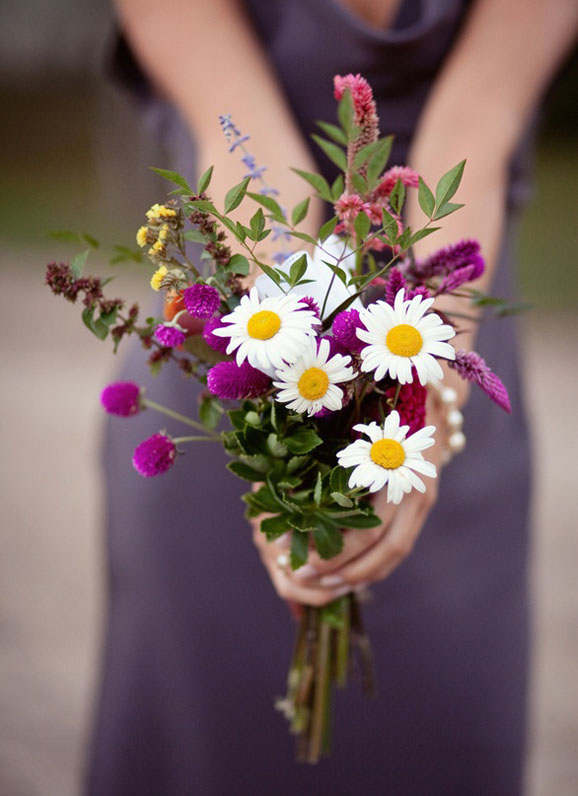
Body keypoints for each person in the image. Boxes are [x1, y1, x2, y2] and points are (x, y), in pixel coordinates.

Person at [88, 1, 578, 794]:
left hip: (443, 343)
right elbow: (245, 147)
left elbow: (472, 137)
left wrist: (428, 407)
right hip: (241, 340)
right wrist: (291, 371)